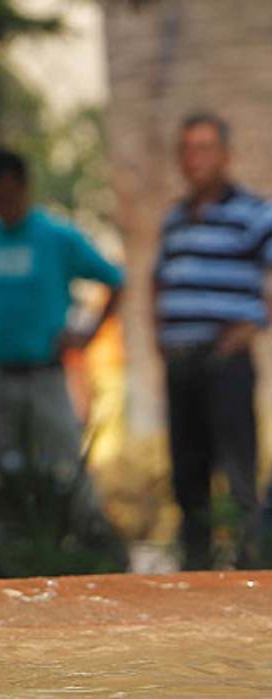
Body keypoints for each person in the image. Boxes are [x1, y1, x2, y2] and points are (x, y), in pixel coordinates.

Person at [0, 148, 123, 495]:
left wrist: (87, 334)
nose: (2, 203)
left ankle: (82, 539)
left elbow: (114, 279)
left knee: (64, 470)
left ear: (23, 187)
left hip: (44, 374)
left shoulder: (57, 237)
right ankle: (4, 541)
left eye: (8, 194)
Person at [154, 113, 270, 570]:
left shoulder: (253, 213)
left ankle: (250, 574)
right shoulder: (175, 220)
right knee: (188, 475)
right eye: (186, 149)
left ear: (225, 155)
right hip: (180, 361)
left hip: (225, 360)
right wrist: (159, 335)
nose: (194, 159)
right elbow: (157, 281)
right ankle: (195, 577)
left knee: (238, 473)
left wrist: (253, 321)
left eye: (204, 148)